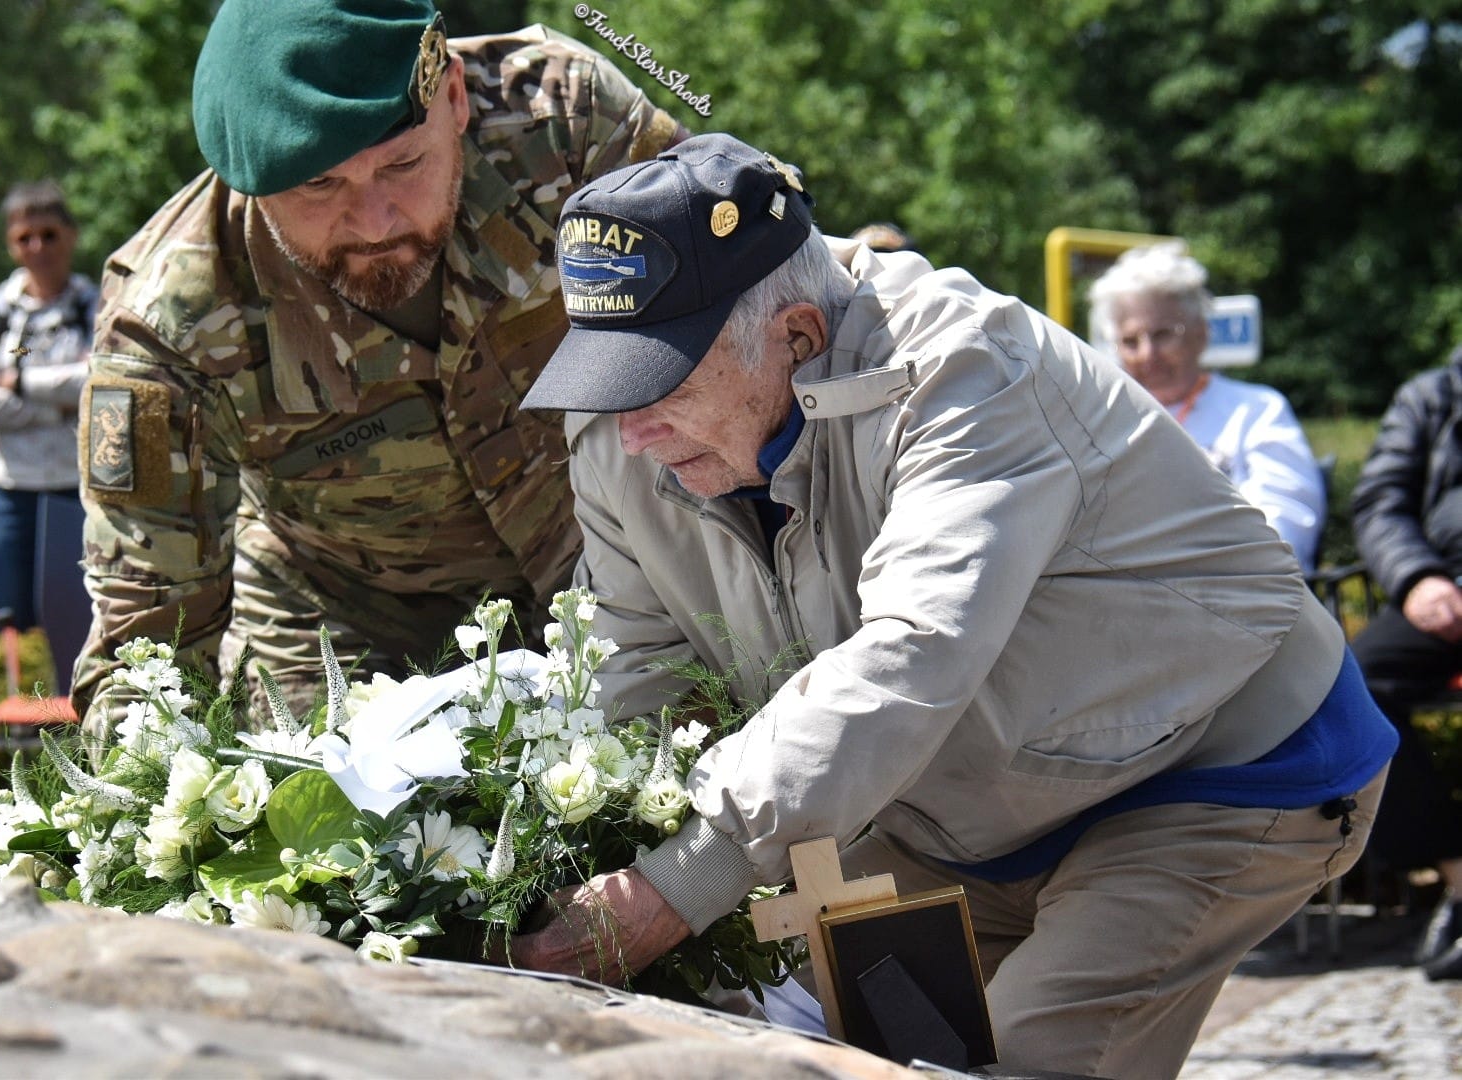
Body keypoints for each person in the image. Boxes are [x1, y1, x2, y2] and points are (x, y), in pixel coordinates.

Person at [509, 134, 1396, 1079]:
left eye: (662, 386)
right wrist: (580, 851)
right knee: (830, 1047)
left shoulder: (965, 365)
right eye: (607, 383)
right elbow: (634, 663)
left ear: (800, 338)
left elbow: (915, 649)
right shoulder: (619, 438)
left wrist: (685, 876)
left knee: (1030, 1053)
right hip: (954, 808)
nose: (633, 432)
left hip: (1211, 765)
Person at [72, 0, 684, 736]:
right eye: (319, 187)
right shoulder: (170, 326)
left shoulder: (568, 126)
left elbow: (738, 342)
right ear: (248, 182)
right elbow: (147, 652)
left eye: (403, 164)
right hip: (340, 627)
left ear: (453, 96)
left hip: (615, 560)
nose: (376, 221)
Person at [1089, 241, 1326, 572]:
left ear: (1201, 333)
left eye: (1163, 334)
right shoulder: (1099, 422)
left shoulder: (1257, 410)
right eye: (1130, 341)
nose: (1148, 354)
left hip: (1234, 593)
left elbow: (1284, 529)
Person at [1348, 349, 1462, 981]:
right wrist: (1417, 577)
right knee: (1350, 690)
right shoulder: (1432, 395)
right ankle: (1457, 877)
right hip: (1447, 588)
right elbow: (1380, 502)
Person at [0, 181, 97, 628]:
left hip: (76, 488)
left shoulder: (97, 303)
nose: (39, 247)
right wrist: (58, 405)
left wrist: (19, 384)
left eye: (49, 234)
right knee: (14, 624)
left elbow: (103, 382)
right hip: (9, 491)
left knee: (81, 620)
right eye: (25, 237)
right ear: (11, 245)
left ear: (71, 235)